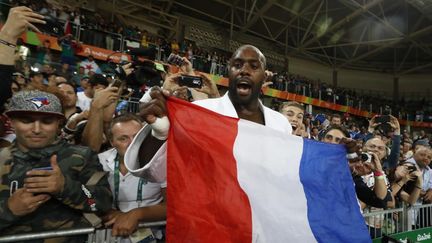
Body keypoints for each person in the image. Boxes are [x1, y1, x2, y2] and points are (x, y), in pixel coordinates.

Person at [125, 44, 292, 182]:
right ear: (229, 72)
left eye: (254, 66)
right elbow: (154, 174)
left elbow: (285, 174)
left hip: (259, 217)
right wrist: (159, 135)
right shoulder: (201, 112)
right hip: (211, 215)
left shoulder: (280, 123)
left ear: (264, 76)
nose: (244, 71)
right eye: (237, 65)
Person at [0, 90, 112, 241]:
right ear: (12, 122)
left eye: (46, 121)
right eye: (26, 121)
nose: (37, 130)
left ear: (59, 123)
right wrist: (9, 209)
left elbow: (101, 203)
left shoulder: (81, 157)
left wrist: (65, 187)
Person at [99, 114, 166, 241]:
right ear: (112, 142)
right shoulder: (99, 162)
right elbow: (87, 198)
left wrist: (137, 214)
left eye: (137, 137)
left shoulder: (161, 162)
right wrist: (101, 212)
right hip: (108, 236)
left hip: (151, 235)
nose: (132, 144)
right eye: (123, 139)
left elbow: (172, 207)